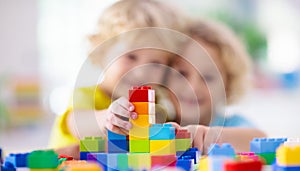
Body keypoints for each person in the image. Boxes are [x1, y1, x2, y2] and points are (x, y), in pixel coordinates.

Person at [49, 0, 187, 155]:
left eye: (155, 63)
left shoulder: (157, 105)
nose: (141, 72)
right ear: (103, 52)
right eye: (131, 57)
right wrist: (107, 118)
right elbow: (77, 123)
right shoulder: (85, 95)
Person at [167, 19, 266, 153]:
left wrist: (210, 136)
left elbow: (259, 140)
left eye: (208, 77)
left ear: (228, 85)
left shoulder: (233, 123)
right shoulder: (158, 123)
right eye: (182, 73)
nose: (193, 87)